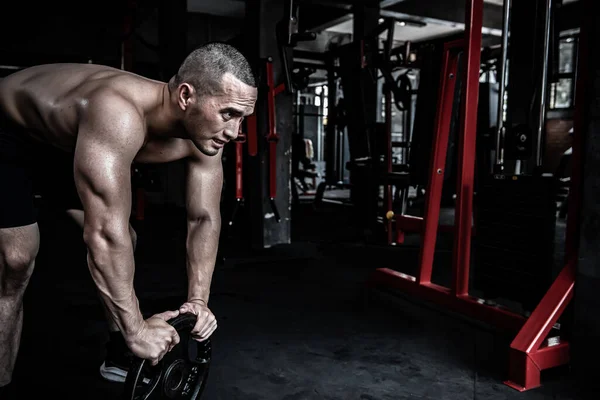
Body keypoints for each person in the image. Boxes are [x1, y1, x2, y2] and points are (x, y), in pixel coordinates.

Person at [0, 42, 257, 390]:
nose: (234, 131)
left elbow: (203, 219)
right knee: (16, 259)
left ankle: (119, 353)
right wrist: (137, 329)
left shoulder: (206, 135)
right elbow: (103, 235)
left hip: (63, 142)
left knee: (127, 240)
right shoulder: (119, 114)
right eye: (228, 113)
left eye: (242, 117)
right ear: (185, 96)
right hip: (8, 129)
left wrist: (198, 301)